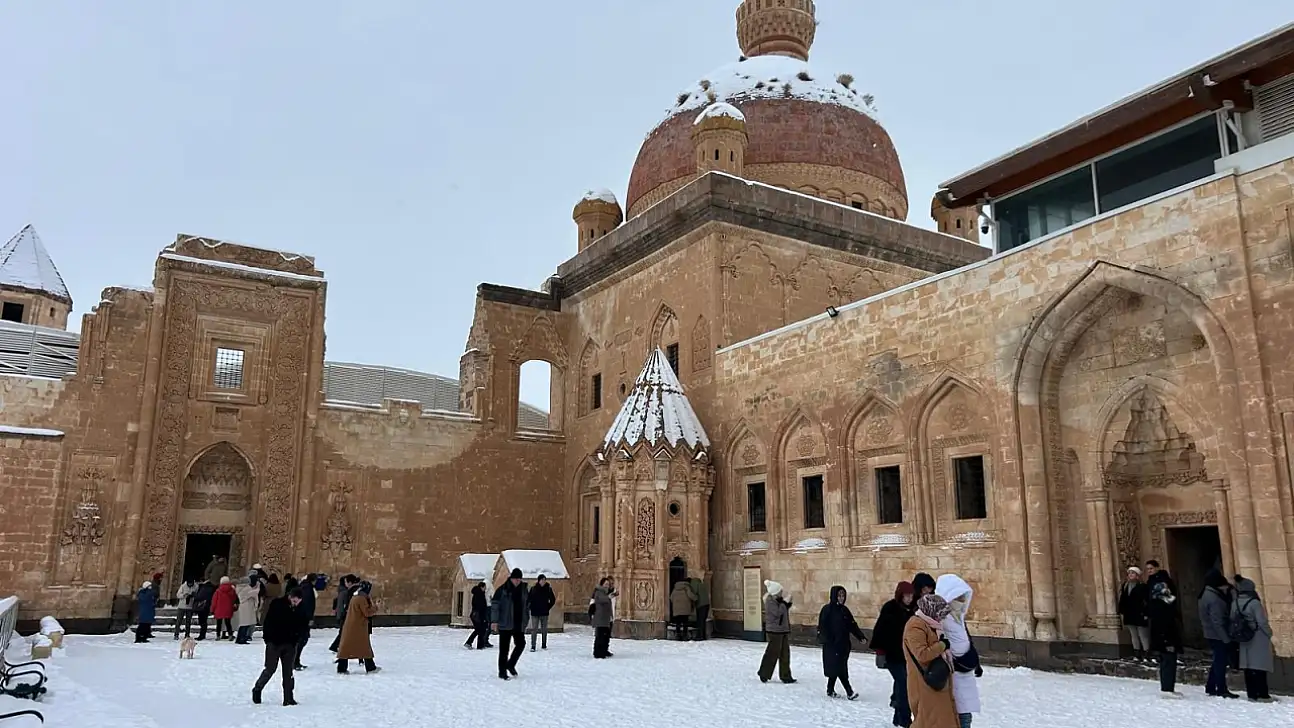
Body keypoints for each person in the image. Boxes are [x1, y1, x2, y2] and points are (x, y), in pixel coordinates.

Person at [936, 575, 983, 728]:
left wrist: (974, 662)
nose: (961, 601)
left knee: (965, 714)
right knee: (960, 715)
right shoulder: (940, 619)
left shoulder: (958, 618)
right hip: (952, 673)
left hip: (965, 671)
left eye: (963, 597)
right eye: (958, 597)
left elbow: (966, 640)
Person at [904, 594, 957, 728]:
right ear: (931, 610)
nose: (941, 618)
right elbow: (921, 654)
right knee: (928, 722)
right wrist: (942, 645)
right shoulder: (915, 625)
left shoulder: (930, 624)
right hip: (924, 684)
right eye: (940, 614)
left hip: (934, 683)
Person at [870, 581, 917, 728]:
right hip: (892, 655)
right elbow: (880, 630)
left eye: (911, 595)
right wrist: (880, 652)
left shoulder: (914, 610)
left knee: (903, 684)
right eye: (906, 596)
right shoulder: (890, 608)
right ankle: (905, 719)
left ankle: (898, 717)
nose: (909, 598)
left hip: (908, 655)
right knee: (904, 684)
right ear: (900, 595)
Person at [252, 587, 306, 706]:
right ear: (290, 597)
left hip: (290, 644)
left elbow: (302, 624)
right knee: (270, 669)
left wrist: (299, 638)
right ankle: (257, 688)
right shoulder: (277, 604)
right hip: (274, 643)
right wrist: (268, 639)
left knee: (288, 672)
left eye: (298, 601)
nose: (296, 603)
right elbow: (268, 622)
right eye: (295, 601)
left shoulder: (300, 608)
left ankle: (288, 698)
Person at [817, 585, 864, 700]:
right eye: (839, 595)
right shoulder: (827, 610)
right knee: (840, 669)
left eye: (843, 595)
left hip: (843, 645)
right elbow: (822, 627)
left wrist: (860, 636)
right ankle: (849, 692)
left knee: (837, 667)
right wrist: (827, 639)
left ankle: (830, 689)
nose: (841, 598)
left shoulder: (844, 610)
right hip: (832, 645)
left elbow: (852, 625)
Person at [1232, 574, 1274, 702]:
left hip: (1243, 636)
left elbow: (1232, 618)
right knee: (1259, 666)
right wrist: (1269, 633)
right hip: (1257, 636)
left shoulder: (1236, 602)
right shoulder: (1254, 603)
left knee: (1248, 666)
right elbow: (1261, 621)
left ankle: (1252, 693)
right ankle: (1262, 693)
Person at [1199, 568, 1238, 698]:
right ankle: (1221, 688)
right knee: (1220, 662)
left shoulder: (1207, 594)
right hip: (1217, 635)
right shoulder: (1213, 598)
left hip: (1211, 633)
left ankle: (1211, 685)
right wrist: (1226, 639)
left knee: (1217, 660)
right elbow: (1217, 621)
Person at [491, 568, 529, 680]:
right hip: (505, 622)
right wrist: (494, 621)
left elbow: (527, 604)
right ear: (511, 578)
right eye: (515, 579)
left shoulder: (524, 589)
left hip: (518, 622)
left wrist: (526, 617)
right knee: (504, 649)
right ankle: (502, 672)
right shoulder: (502, 590)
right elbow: (495, 606)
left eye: (519, 579)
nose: (517, 581)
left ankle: (511, 664)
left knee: (521, 644)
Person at [1147, 581, 1183, 697]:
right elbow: (1162, 624)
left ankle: (1169, 687)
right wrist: (1167, 641)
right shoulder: (1159, 605)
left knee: (1170, 662)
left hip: (1168, 637)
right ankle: (1167, 688)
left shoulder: (1166, 602)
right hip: (1166, 638)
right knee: (1168, 662)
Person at [336, 581, 380, 674]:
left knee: (346, 648)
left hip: (351, 626)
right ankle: (370, 667)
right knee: (364, 647)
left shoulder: (355, 597)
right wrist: (376, 607)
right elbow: (367, 612)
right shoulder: (362, 598)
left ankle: (342, 668)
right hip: (358, 626)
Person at [757, 580, 795, 684]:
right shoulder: (770, 601)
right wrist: (785, 603)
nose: (781, 593)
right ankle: (764, 673)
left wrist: (788, 603)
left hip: (782, 630)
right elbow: (778, 613)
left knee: (785, 654)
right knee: (772, 653)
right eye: (780, 591)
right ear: (775, 592)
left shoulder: (778, 600)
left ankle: (786, 675)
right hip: (774, 631)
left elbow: (783, 609)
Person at [1117, 566, 1151, 662]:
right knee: (1133, 634)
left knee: (1143, 634)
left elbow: (1146, 601)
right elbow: (1123, 599)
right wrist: (1122, 611)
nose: (1130, 575)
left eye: (1133, 573)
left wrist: (1146, 613)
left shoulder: (1142, 586)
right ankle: (1137, 653)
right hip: (1129, 613)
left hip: (1140, 613)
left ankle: (1146, 653)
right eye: (1129, 573)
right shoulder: (1125, 586)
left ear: (1137, 575)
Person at [328, 574, 359, 654]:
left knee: (343, 633)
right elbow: (345, 605)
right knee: (344, 633)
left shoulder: (343, 591)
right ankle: (337, 648)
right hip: (344, 615)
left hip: (343, 615)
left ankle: (337, 648)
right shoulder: (346, 592)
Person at [527, 574, 556, 652]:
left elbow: (553, 600)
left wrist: (548, 607)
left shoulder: (548, 589)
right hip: (535, 612)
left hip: (544, 612)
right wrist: (530, 607)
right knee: (534, 629)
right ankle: (533, 646)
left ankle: (544, 644)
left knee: (544, 629)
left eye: (544, 580)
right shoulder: (533, 589)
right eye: (542, 580)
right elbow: (528, 599)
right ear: (539, 581)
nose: (543, 581)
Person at [294, 573, 317, 670]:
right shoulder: (308, 589)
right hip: (303, 618)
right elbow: (308, 604)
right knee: (302, 639)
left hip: (299, 616)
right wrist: (310, 618)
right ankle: (295, 661)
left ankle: (295, 660)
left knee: (300, 639)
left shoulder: (302, 586)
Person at [591, 577, 617, 659]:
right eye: (606, 584)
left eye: (608, 584)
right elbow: (602, 600)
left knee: (605, 635)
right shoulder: (599, 592)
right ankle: (598, 653)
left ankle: (603, 650)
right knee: (600, 636)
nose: (607, 586)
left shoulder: (605, 592)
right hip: (600, 617)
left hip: (605, 617)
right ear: (602, 584)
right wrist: (609, 597)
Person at [464, 581, 492, 650]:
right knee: (480, 630)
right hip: (478, 615)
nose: (485, 589)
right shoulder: (479, 594)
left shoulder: (478, 593)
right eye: (484, 587)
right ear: (481, 587)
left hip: (476, 615)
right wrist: (483, 616)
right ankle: (475, 644)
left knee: (480, 630)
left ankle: (477, 644)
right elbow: (481, 606)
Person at [235, 576, 260, 644]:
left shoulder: (239, 587)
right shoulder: (246, 588)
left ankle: (239, 638)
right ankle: (242, 638)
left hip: (243, 607)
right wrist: (258, 586)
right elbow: (255, 592)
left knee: (243, 624)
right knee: (245, 624)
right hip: (247, 607)